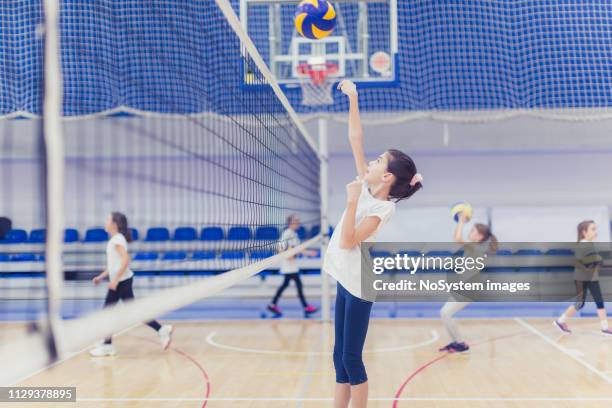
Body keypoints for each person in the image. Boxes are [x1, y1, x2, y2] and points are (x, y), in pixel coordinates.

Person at [325, 79, 422, 408]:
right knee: (338, 356)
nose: (371, 162)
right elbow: (356, 138)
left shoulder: (383, 207)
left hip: (360, 283)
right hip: (345, 276)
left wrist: (351, 201)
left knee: (352, 358)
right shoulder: (367, 187)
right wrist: (353, 98)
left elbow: (348, 240)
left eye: (379, 161)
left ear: (387, 177)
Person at [89, 212, 174, 356]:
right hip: (124, 280)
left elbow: (126, 260)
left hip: (121, 282)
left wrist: (115, 281)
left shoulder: (117, 240)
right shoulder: (116, 239)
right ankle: (161, 330)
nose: (105, 222)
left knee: (106, 313)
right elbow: (114, 265)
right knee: (135, 311)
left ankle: (107, 345)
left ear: (114, 224)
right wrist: (101, 277)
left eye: (107, 219)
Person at [438, 213, 497, 353]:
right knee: (444, 313)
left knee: (445, 313)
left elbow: (457, 238)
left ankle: (460, 344)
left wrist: (461, 221)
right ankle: (455, 342)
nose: (470, 233)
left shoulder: (475, 247)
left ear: (480, 237)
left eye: (473, 231)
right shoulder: (474, 248)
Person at [554, 220, 611, 336]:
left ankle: (605, 327)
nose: (596, 232)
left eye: (596, 229)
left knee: (597, 302)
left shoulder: (588, 244)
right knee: (581, 303)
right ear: (584, 232)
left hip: (591, 278)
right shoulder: (583, 245)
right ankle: (560, 321)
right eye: (593, 229)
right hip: (583, 279)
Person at [267, 214, 318, 318]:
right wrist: (288, 256)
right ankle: (306, 307)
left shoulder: (294, 234)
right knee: (297, 285)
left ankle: (273, 304)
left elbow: (299, 249)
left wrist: (309, 253)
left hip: (292, 266)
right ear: (290, 222)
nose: (298, 222)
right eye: (296, 220)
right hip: (288, 266)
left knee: (287, 285)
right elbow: (279, 248)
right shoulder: (287, 234)